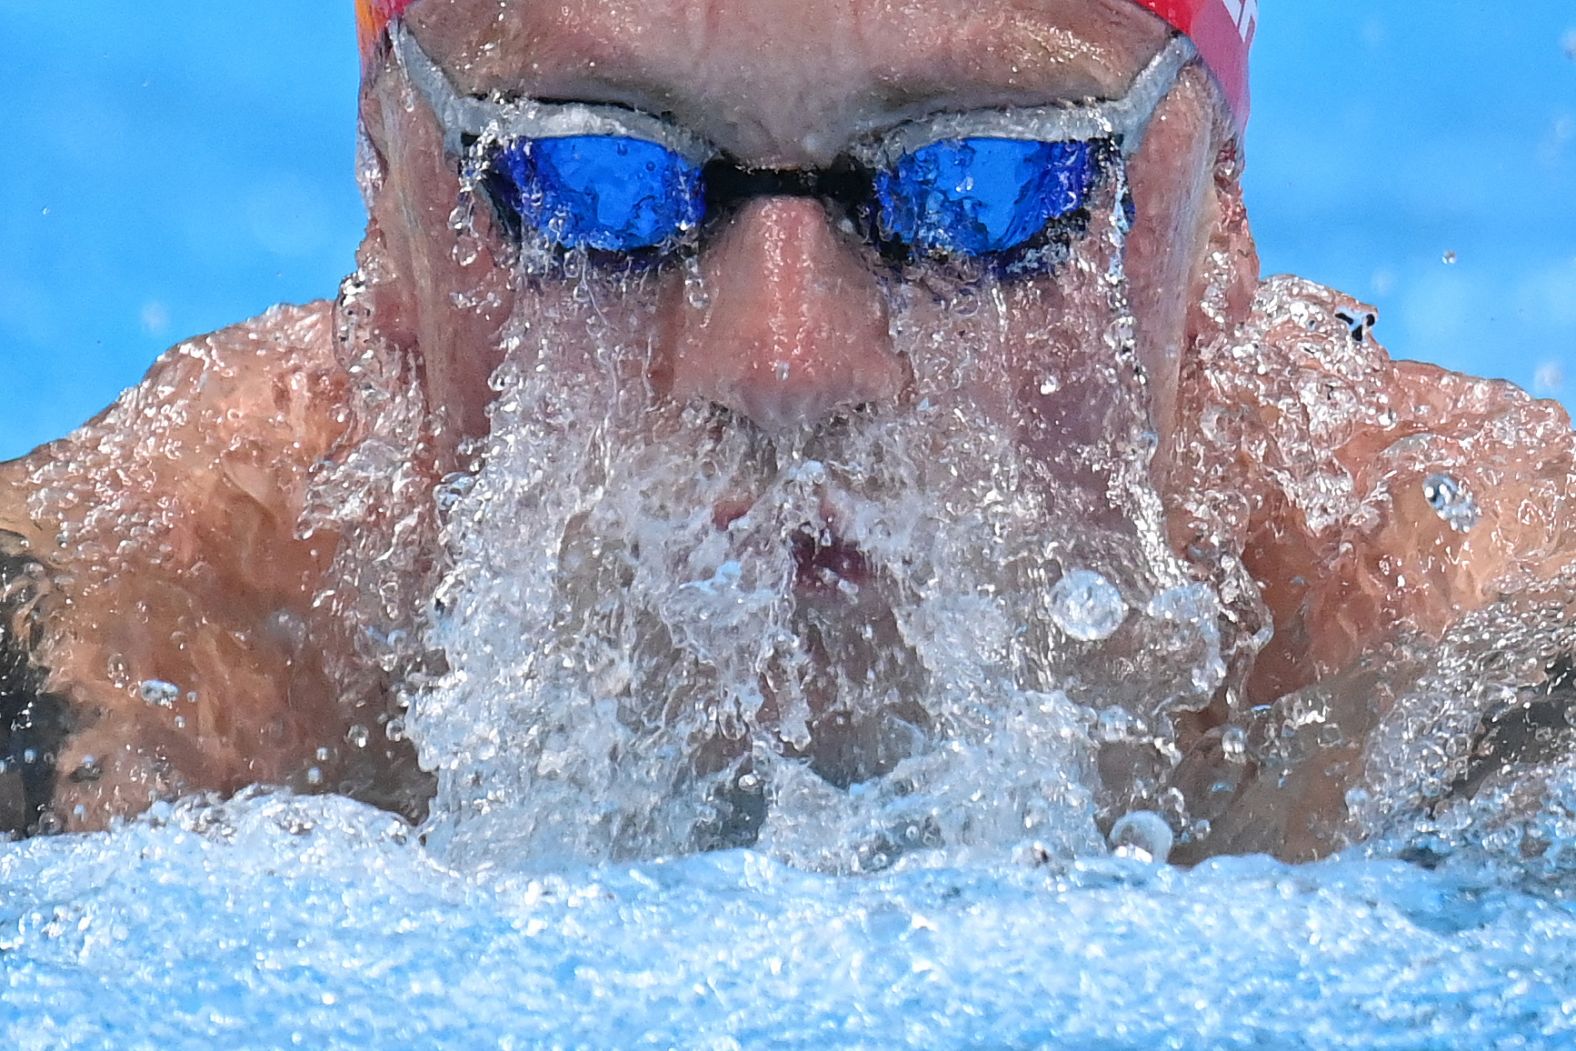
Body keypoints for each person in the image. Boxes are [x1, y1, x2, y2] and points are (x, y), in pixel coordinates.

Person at [1, 0, 1571, 866]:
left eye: (987, 186)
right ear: (392, 208)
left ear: (1208, 228)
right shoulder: (177, 633)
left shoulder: (1438, 625)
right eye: (588, 182)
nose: (782, 364)